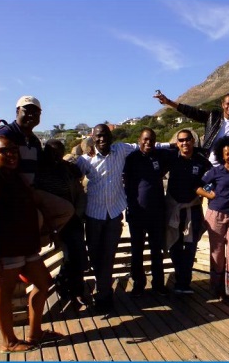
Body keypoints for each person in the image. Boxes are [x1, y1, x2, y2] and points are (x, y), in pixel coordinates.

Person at [0, 136, 62, 353]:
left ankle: (35, 333)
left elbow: (33, 201)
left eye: (14, 150)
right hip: (4, 247)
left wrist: (50, 227)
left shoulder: (15, 176)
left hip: (26, 245)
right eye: (4, 151)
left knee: (44, 284)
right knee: (3, 294)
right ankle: (9, 341)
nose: (11, 154)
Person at [0, 96, 74, 248]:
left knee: (66, 210)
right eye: (27, 111)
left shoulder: (34, 140)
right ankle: (26, 249)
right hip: (10, 192)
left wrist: (66, 165)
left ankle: (35, 245)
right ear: (17, 111)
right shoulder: (7, 133)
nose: (31, 115)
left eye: (36, 113)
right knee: (37, 217)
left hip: (30, 190)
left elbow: (43, 163)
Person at [75, 124, 140, 314]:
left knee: (108, 256)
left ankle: (104, 295)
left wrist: (174, 145)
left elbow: (144, 145)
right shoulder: (85, 160)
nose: (102, 139)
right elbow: (71, 177)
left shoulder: (120, 149)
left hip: (113, 214)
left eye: (105, 136)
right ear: (92, 138)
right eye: (98, 137)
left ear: (111, 137)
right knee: (96, 257)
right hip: (94, 215)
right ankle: (103, 290)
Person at [34, 139, 89, 310]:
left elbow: (80, 192)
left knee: (79, 256)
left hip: (73, 220)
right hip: (54, 223)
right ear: (45, 152)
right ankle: (67, 287)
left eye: (59, 152)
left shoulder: (68, 169)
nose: (55, 155)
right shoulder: (39, 172)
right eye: (51, 152)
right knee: (69, 257)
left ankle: (76, 289)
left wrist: (78, 215)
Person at [164, 129, 212, 294]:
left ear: (193, 141)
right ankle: (180, 280)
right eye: (181, 140)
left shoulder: (201, 161)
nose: (184, 143)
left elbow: (213, 178)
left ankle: (185, 283)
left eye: (187, 140)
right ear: (177, 143)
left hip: (193, 208)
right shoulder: (171, 158)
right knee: (174, 245)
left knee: (191, 246)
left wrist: (209, 193)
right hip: (174, 208)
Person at [123, 129, 170, 298]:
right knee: (137, 250)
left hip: (157, 212)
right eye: (145, 140)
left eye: (151, 140)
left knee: (157, 250)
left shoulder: (161, 155)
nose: (148, 143)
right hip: (136, 213)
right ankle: (139, 283)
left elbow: (177, 150)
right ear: (139, 140)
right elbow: (125, 182)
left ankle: (158, 284)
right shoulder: (131, 158)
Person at [198, 135, 229, 304]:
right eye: (227, 154)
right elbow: (197, 186)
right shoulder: (215, 171)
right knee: (217, 254)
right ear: (222, 155)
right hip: (215, 215)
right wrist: (209, 194)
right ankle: (217, 289)